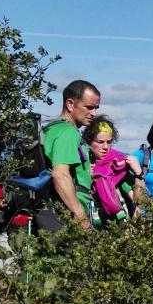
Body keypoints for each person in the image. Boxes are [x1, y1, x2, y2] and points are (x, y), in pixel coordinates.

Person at [43, 80, 99, 230]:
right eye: (89, 107)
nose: (94, 113)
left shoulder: (52, 129)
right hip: (63, 216)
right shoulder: (67, 132)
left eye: (96, 108)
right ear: (70, 104)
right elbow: (60, 174)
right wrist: (80, 215)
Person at [83, 117, 143, 227]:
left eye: (109, 142)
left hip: (119, 231)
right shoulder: (81, 165)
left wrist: (138, 173)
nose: (105, 147)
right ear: (89, 142)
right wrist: (87, 177)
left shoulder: (117, 166)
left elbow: (138, 201)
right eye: (100, 142)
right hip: (89, 232)